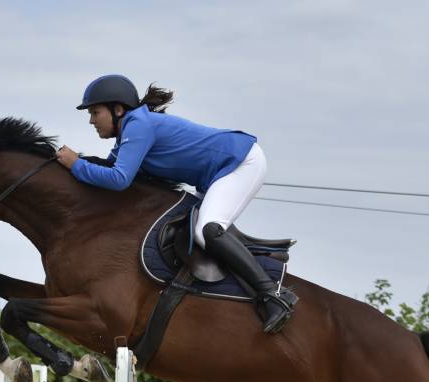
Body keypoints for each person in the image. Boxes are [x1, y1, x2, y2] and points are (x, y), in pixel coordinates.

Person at [56, 74, 296, 334]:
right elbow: (111, 167)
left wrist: (76, 164)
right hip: (222, 171)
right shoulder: (129, 133)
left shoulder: (138, 126)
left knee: (208, 230)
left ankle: (273, 296)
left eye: (95, 112)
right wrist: (74, 165)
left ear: (117, 109)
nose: (91, 120)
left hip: (241, 163)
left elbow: (118, 179)